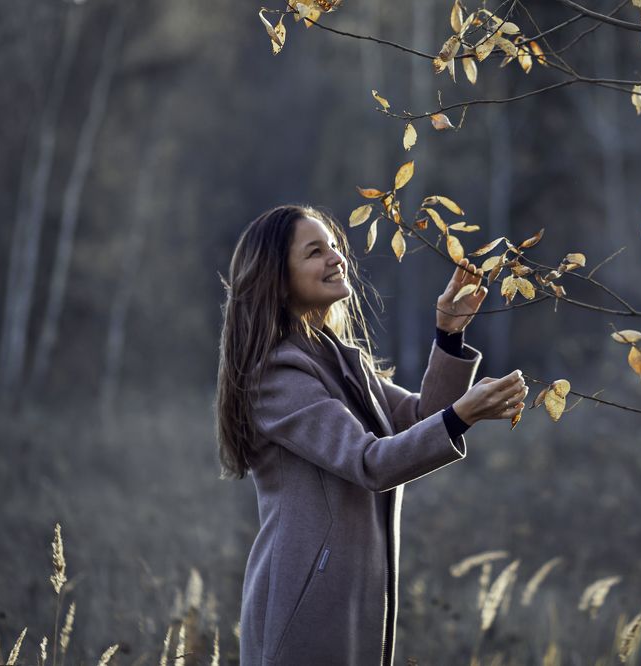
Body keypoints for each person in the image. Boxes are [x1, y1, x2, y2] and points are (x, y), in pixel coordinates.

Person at [214, 204, 527, 665]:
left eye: (335, 246)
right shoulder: (277, 373)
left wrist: (448, 337)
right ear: (277, 279)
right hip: (305, 606)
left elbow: (421, 418)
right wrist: (462, 416)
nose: (336, 258)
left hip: (352, 597)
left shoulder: (339, 359)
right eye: (315, 251)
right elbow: (371, 463)